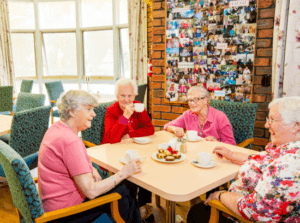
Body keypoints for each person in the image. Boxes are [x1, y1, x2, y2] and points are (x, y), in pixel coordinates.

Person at [188, 96, 300, 223]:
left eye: (272, 120)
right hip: (242, 197)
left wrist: (219, 195)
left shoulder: (289, 166)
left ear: (296, 126)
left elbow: (257, 211)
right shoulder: (287, 150)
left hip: (239, 214)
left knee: (196, 212)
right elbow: (266, 159)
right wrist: (232, 155)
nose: (266, 125)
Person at [38, 90, 142, 222]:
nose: (94, 114)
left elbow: (69, 162)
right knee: (124, 188)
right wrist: (124, 172)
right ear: (71, 111)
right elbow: (91, 191)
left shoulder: (57, 128)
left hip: (52, 204)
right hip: (65, 214)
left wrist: (91, 169)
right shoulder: (70, 141)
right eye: (88, 109)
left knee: (125, 188)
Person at [101, 78, 155, 221]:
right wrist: (125, 116)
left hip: (137, 151)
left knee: (147, 173)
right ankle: (132, 212)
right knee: (130, 178)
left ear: (135, 96)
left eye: (129, 95)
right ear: (117, 96)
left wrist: (129, 134)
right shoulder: (111, 111)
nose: (126, 99)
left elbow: (150, 129)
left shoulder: (139, 107)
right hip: (114, 155)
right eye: (122, 96)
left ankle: (144, 207)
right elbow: (112, 138)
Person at [164, 86, 235, 144]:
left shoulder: (220, 117)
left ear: (205, 100)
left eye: (195, 99)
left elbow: (231, 145)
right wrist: (174, 129)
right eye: (189, 100)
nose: (191, 103)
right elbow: (167, 126)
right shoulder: (188, 114)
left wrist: (216, 143)